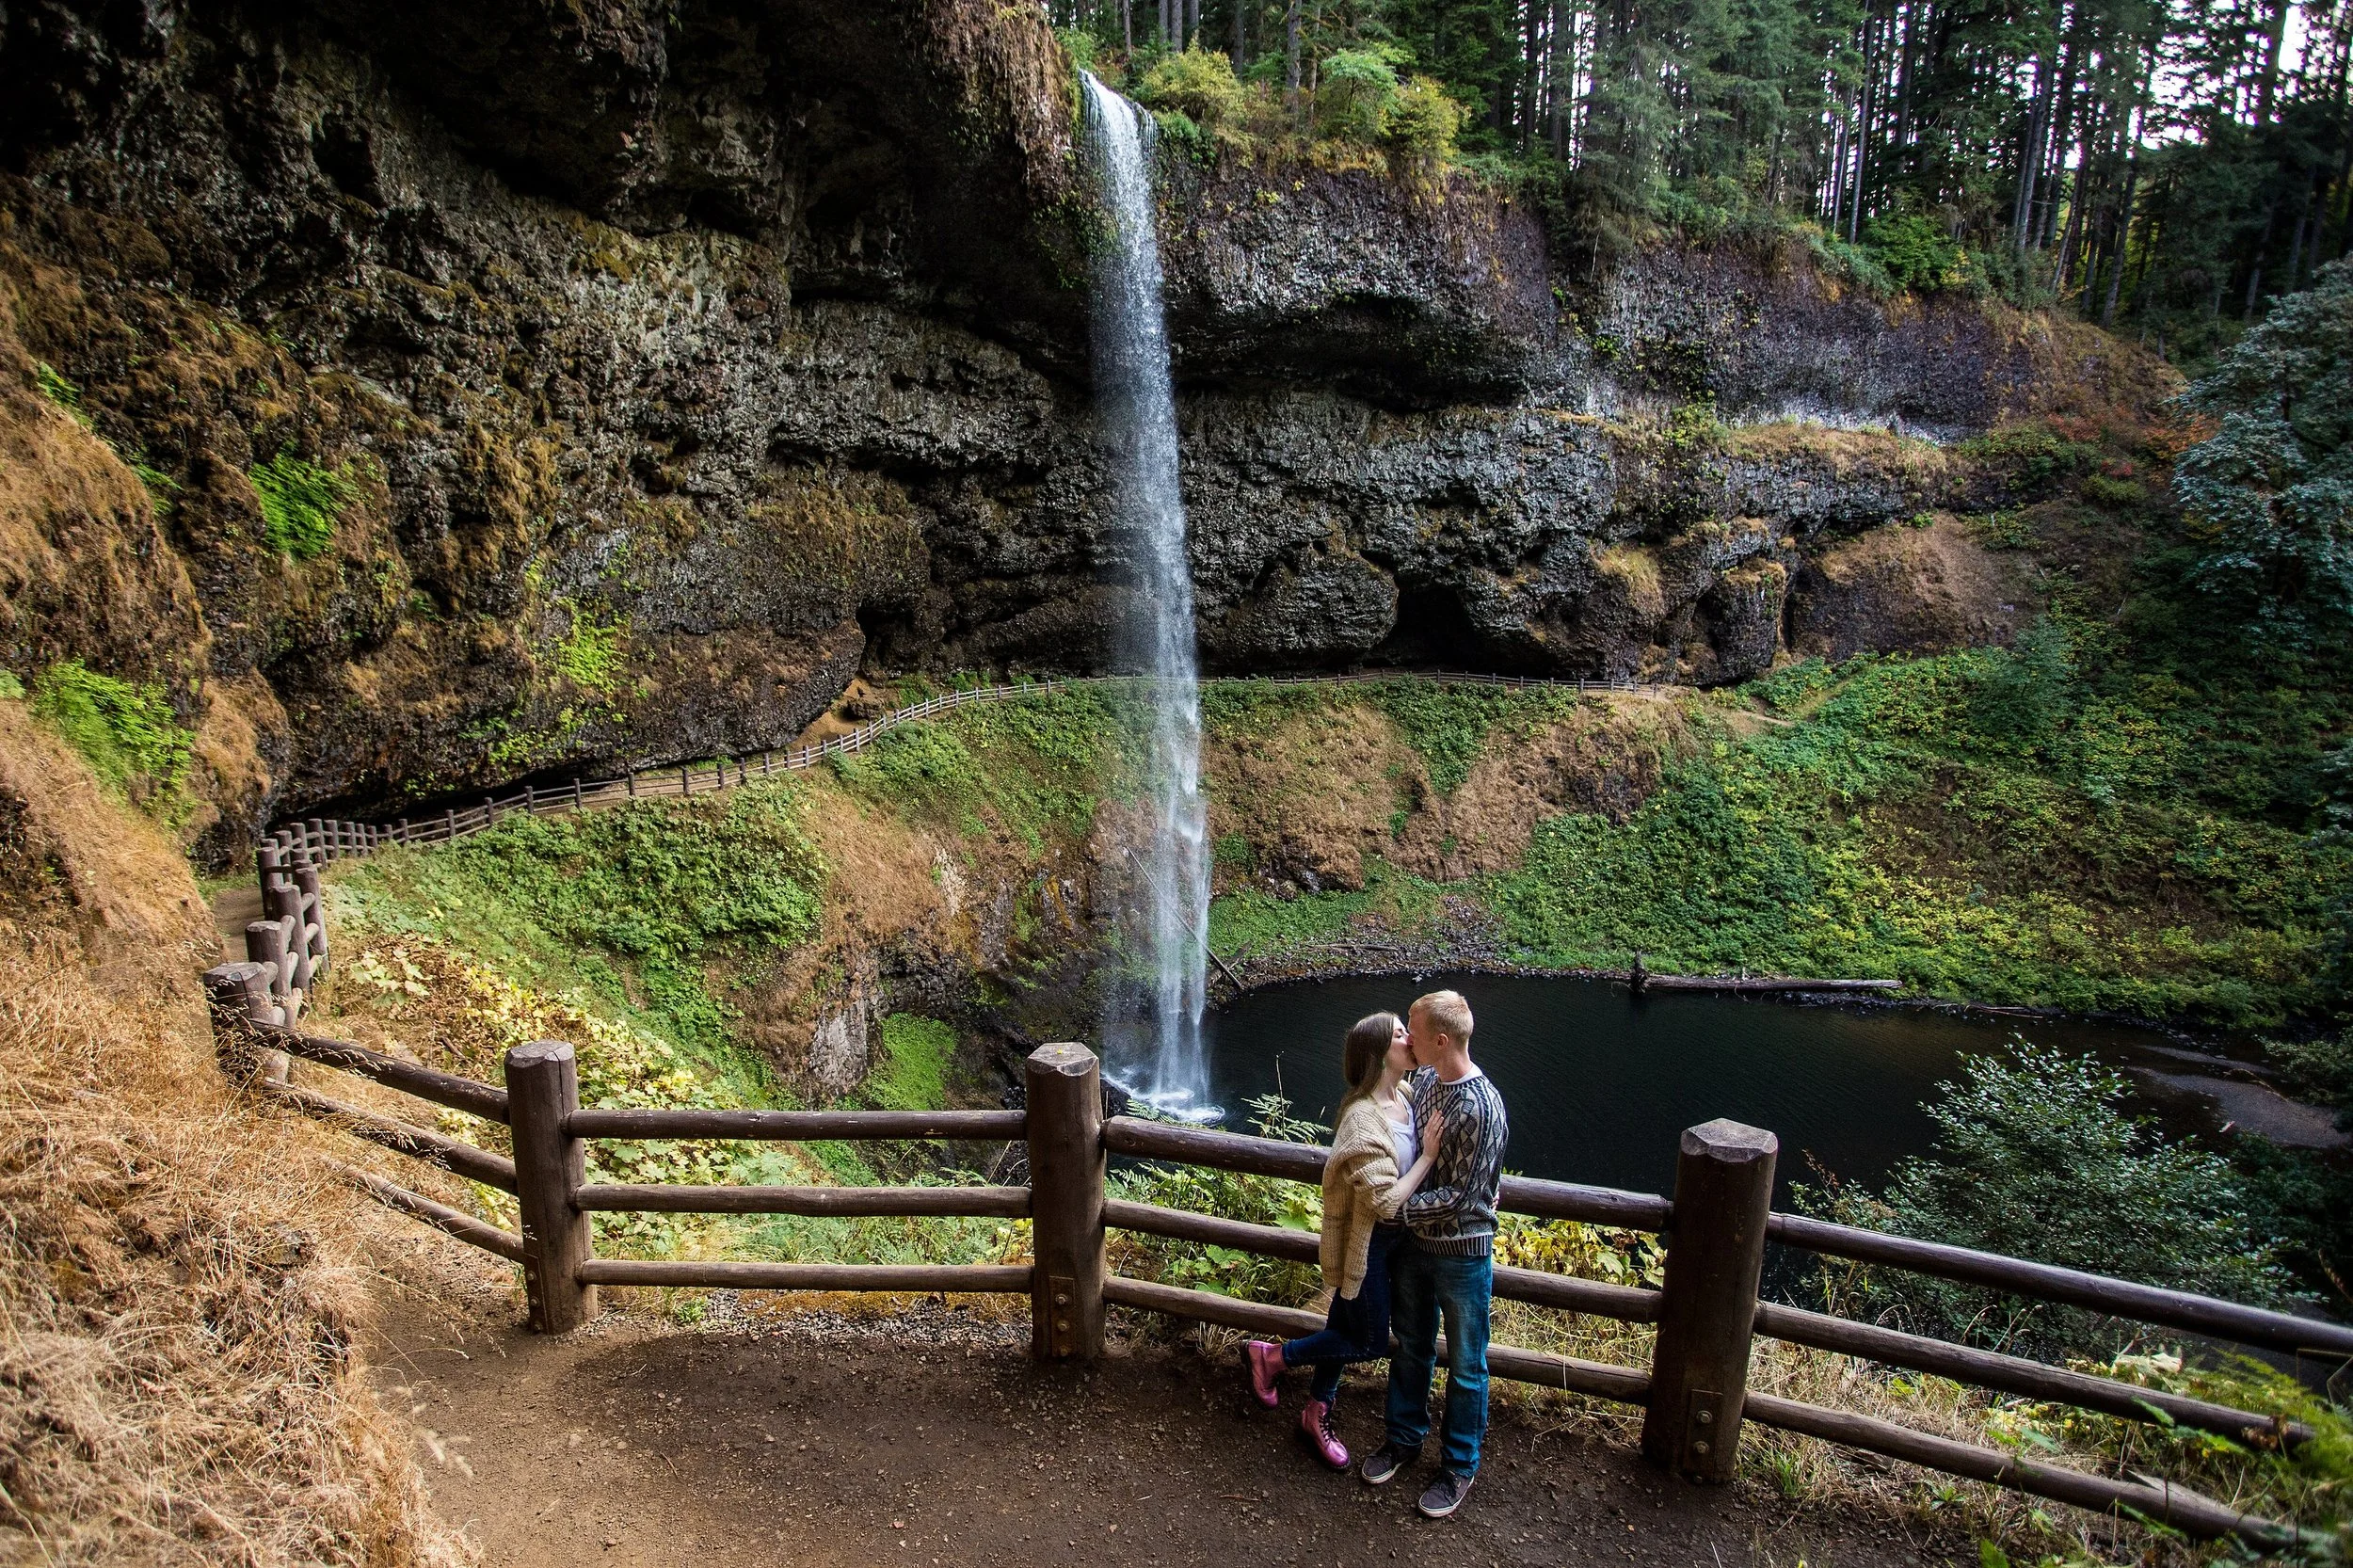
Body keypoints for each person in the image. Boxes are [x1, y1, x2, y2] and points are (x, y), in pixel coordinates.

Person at [1241, 1012, 1443, 1470]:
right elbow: (1388, 1202)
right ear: (1377, 1055)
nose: (1409, 1039)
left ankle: (1316, 1412)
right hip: (1369, 1245)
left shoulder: (1407, 1096)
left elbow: (1452, 1055)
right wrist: (1428, 1157)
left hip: (1397, 1245)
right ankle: (1272, 1357)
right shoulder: (1361, 1122)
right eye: (1398, 1034)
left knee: (1342, 1328)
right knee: (1369, 1342)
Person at [1360, 989, 1507, 1520]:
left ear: (1440, 1041)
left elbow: (1464, 1198)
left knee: (1468, 1365)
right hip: (1414, 1251)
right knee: (1412, 1348)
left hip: (1462, 1255)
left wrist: (1393, 1210)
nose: (1407, 1039)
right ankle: (1402, 1439)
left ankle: (1458, 1465)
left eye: (1413, 1032)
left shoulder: (1480, 1107)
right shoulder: (1423, 1083)